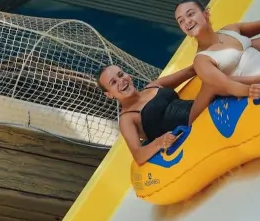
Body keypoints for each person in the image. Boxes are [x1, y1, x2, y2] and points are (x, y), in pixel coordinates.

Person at [97, 64, 247, 165]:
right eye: (113, 82)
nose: (121, 81)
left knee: (214, 77)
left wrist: (209, 58)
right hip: (189, 124)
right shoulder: (127, 118)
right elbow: (138, 155)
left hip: (196, 108)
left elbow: (189, 72)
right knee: (212, 84)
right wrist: (159, 142)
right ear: (109, 94)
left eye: (121, 74)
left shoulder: (154, 85)